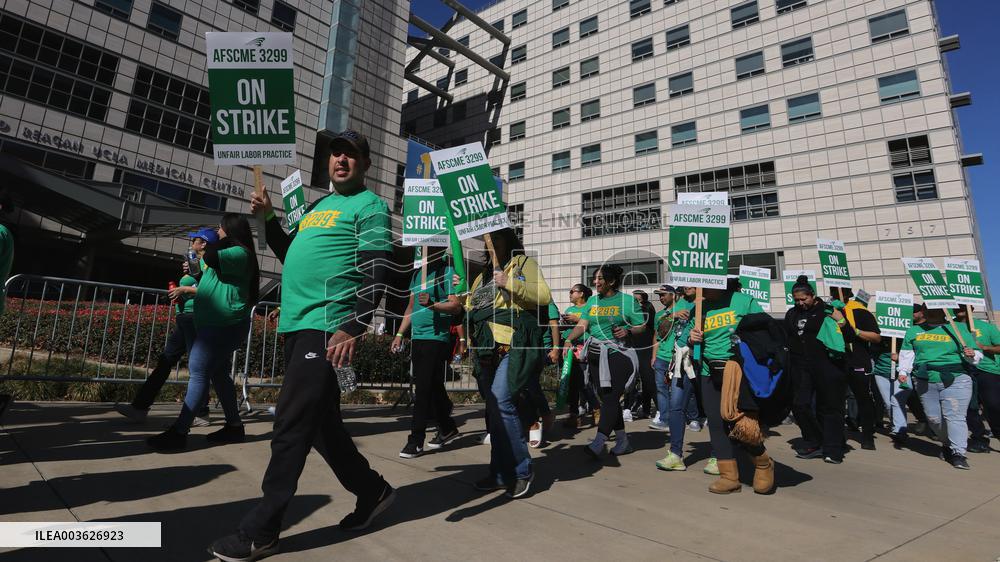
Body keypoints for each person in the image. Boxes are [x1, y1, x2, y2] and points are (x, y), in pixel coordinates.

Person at [211, 131, 394, 561]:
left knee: (291, 423)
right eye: (336, 154)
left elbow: (376, 273)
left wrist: (353, 325)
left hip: (328, 327)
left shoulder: (370, 207)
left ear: (366, 163)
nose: (341, 160)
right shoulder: (317, 207)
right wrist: (270, 220)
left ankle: (263, 528)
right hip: (297, 326)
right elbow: (290, 252)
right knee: (321, 426)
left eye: (351, 154)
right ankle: (374, 491)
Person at [148, 215, 258, 451]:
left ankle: (179, 432)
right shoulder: (230, 254)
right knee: (218, 373)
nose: (217, 233)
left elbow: (210, 256)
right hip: (216, 324)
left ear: (231, 230)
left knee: (198, 371)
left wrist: (209, 247)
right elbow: (210, 277)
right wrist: (195, 269)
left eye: (220, 229)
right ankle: (234, 426)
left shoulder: (240, 253)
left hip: (223, 324)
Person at [466, 227, 551, 499]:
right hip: (485, 348)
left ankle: (522, 470)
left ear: (509, 240)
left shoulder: (524, 264)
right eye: (489, 238)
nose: (492, 242)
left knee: (502, 400)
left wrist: (509, 283)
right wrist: (460, 298)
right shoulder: (481, 277)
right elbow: (471, 308)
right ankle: (500, 473)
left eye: (498, 237)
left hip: (514, 344)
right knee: (494, 411)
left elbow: (543, 297)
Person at [116, 229, 218, 425]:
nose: (191, 242)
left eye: (194, 240)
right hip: (184, 318)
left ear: (203, 244)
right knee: (166, 361)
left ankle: (201, 412)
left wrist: (186, 288)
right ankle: (140, 407)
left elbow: (210, 290)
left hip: (195, 318)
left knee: (195, 367)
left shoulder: (209, 264)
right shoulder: (195, 263)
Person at [688, 282, 774, 494]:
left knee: (742, 424)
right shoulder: (698, 307)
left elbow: (765, 331)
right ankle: (729, 476)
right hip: (709, 371)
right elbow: (688, 342)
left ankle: (763, 463)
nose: (699, 289)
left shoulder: (743, 302)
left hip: (737, 370)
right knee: (716, 423)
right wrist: (692, 339)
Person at [563, 264, 645, 458]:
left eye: (600, 279)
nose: (595, 282)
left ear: (612, 281)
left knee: (610, 398)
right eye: (595, 279)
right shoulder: (592, 301)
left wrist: (628, 330)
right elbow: (583, 325)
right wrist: (568, 339)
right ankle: (623, 441)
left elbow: (641, 325)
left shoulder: (627, 301)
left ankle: (599, 442)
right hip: (595, 355)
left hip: (619, 353)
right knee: (607, 399)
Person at [391, 247, 462, 458]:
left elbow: (456, 306)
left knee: (422, 388)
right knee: (431, 385)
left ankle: (416, 440)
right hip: (418, 337)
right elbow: (410, 307)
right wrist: (399, 334)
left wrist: (433, 305)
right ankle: (448, 427)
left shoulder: (447, 272)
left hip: (436, 338)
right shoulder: (417, 274)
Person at [898, 306, 981, 469]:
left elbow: (976, 356)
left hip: (956, 379)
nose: (931, 312)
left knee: (955, 417)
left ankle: (958, 453)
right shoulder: (913, 331)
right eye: (927, 309)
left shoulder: (960, 329)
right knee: (934, 419)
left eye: (936, 309)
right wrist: (903, 371)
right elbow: (907, 354)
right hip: (924, 379)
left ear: (944, 311)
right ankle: (947, 443)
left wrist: (973, 355)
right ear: (923, 312)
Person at [784, 276, 849, 464]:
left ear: (813, 296)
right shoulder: (791, 314)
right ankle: (815, 440)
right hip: (801, 367)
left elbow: (849, 336)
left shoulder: (828, 311)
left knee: (829, 408)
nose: (800, 303)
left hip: (828, 367)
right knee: (800, 405)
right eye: (796, 300)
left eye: (804, 299)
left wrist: (842, 322)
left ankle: (833, 448)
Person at [651, 285, 695, 471]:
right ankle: (675, 452)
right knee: (673, 401)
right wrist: (653, 356)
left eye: (663, 294)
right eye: (658, 295)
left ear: (673, 295)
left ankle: (721, 455)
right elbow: (658, 334)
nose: (660, 298)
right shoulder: (663, 314)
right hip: (668, 360)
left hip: (698, 361)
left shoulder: (698, 305)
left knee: (709, 407)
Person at [839, 289, 881, 450]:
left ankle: (868, 436)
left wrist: (854, 331)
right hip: (836, 362)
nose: (835, 295)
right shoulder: (829, 311)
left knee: (863, 399)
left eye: (838, 292)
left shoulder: (860, 312)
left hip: (858, 361)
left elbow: (876, 337)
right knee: (836, 402)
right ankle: (839, 437)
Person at [953, 306, 999, 453]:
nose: (958, 309)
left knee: (993, 405)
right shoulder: (949, 327)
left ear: (971, 308)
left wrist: (984, 347)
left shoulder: (986, 327)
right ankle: (979, 439)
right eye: (955, 306)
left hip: (987, 370)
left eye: (962, 306)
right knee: (969, 407)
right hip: (961, 371)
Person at [559, 284, 598, 428]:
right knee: (572, 384)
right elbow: (567, 329)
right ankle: (574, 415)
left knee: (584, 383)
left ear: (581, 294)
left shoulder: (590, 308)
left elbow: (592, 327)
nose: (569, 294)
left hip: (585, 349)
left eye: (572, 292)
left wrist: (577, 320)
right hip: (569, 350)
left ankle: (596, 409)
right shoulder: (569, 310)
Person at [871, 335, 910, 446]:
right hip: (881, 372)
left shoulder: (905, 334)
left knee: (897, 401)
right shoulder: (878, 333)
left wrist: (901, 358)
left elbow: (915, 353)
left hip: (901, 372)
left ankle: (900, 431)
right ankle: (895, 426)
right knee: (888, 404)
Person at [629, 289, 657, 420]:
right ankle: (644, 408)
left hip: (645, 347)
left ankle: (661, 409)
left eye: (636, 299)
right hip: (634, 346)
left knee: (648, 379)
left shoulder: (647, 309)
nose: (633, 302)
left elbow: (644, 324)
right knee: (635, 379)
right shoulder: (634, 310)